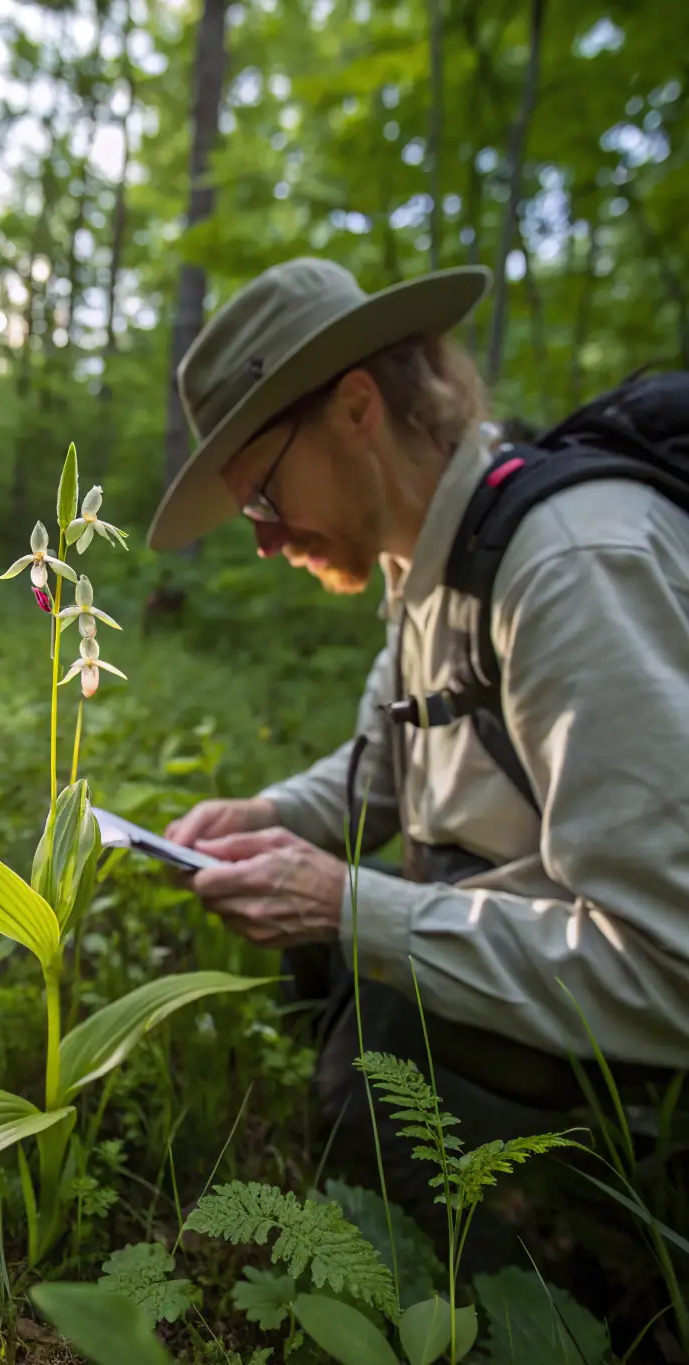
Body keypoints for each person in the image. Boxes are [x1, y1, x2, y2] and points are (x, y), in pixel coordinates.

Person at [146, 256, 689, 1228]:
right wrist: (266, 819)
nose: (262, 542)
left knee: (383, 1036)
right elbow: (380, 769)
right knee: (319, 964)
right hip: (522, 930)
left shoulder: (567, 569)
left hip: (633, 1015)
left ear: (357, 408)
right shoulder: (426, 571)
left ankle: (565, 1260)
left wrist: (350, 903)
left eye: (263, 495)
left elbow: (664, 965)